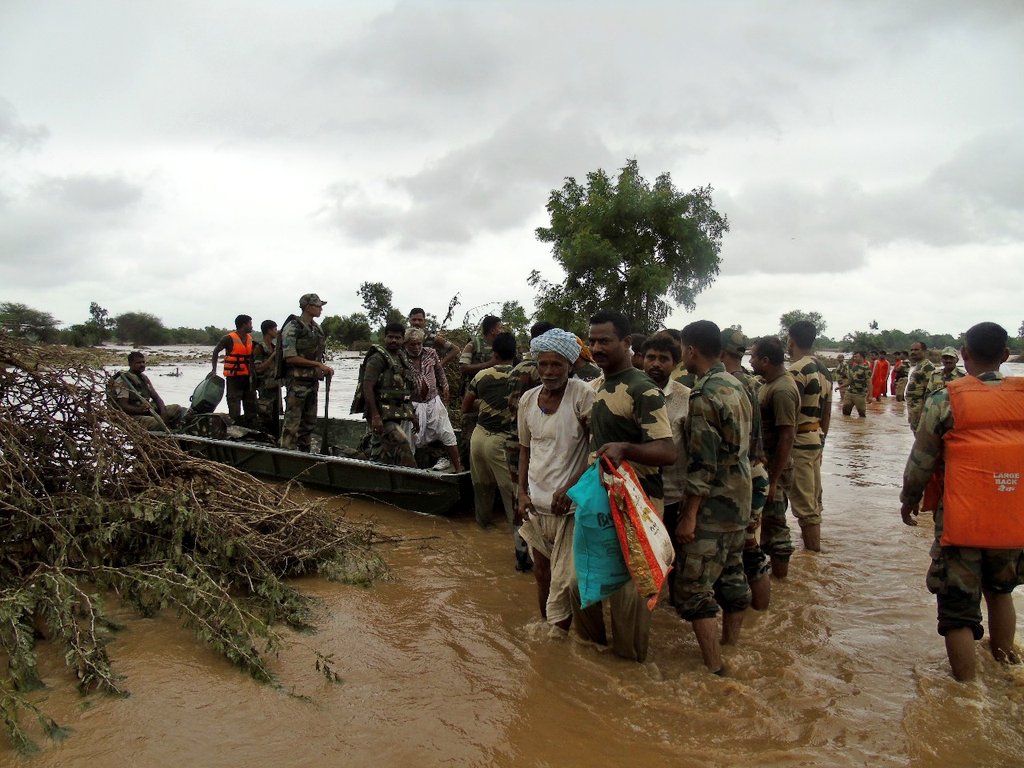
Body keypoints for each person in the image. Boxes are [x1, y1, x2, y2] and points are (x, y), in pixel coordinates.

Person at [899, 321, 1024, 682]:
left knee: (957, 609)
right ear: (1004, 355)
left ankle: (966, 694)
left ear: (964, 354)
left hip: (961, 520)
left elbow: (921, 461)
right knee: (1001, 592)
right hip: (1013, 518)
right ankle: (1006, 673)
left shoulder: (945, 398)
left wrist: (909, 500)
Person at [574, 309, 676, 663]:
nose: (597, 347)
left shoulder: (643, 389)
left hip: (640, 504)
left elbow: (667, 450)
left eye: (606, 340)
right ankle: (595, 663)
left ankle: (629, 672)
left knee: (630, 597)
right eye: (593, 340)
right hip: (601, 499)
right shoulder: (597, 386)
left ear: (627, 343)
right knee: (580, 584)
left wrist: (626, 449)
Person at [674, 320, 752, 675]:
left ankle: (716, 668)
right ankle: (731, 646)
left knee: (692, 587)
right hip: (742, 496)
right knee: (733, 573)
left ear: (690, 350)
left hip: (715, 503)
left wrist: (689, 514)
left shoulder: (704, 395)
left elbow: (703, 463)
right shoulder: (738, 384)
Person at [517, 328, 596, 629]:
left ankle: (562, 641)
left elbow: (596, 450)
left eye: (556, 365)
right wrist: (521, 493)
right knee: (542, 574)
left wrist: (570, 487)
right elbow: (525, 449)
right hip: (536, 506)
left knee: (567, 582)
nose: (549, 372)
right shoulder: (528, 399)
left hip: (570, 508)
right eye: (543, 365)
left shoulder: (582, 395)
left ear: (570, 365)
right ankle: (548, 638)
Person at [719, 327, 770, 610]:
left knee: (743, 551)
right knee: (751, 546)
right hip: (756, 470)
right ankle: (761, 616)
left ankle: (754, 613)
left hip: (740, 476)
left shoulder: (727, 385)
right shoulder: (752, 382)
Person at [462, 332, 524, 557]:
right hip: (502, 442)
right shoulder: (521, 376)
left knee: (481, 487)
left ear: (494, 353)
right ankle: (520, 548)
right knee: (512, 494)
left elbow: (466, 407)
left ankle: (483, 531)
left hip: (478, 437)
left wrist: (485, 405)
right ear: (515, 352)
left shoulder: (482, 375)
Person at [640, 333, 690, 605]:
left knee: (672, 560)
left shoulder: (686, 399)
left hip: (672, 496)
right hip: (637, 496)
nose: (655, 364)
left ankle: (672, 610)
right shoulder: (629, 392)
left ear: (675, 363)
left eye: (663, 359)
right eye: (650, 357)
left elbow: (694, 453)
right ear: (641, 360)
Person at [749, 336, 800, 579]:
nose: (750, 361)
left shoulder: (782, 389)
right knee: (765, 525)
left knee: (776, 526)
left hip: (775, 469)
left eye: (754, 356)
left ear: (766, 360)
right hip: (767, 466)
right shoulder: (769, 383)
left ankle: (781, 582)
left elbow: (787, 436)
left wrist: (774, 480)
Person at [787, 320, 832, 552]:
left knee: (805, 506)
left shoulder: (796, 370)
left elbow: (789, 416)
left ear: (791, 340)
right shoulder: (824, 370)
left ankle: (814, 554)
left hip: (799, 442)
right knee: (814, 500)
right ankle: (814, 556)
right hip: (816, 438)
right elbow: (827, 412)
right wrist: (822, 443)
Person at [357, 322, 416, 467]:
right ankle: (414, 477)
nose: (394, 340)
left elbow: (405, 390)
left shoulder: (401, 359)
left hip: (394, 413)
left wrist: (413, 416)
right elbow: (367, 386)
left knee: (383, 451)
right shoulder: (377, 358)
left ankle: (373, 469)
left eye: (397, 338)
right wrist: (375, 416)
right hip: (379, 413)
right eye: (390, 337)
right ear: (385, 338)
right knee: (401, 442)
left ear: (403, 340)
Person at [280, 293, 332, 452]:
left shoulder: (316, 328)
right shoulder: (293, 327)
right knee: (292, 423)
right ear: (308, 307)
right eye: (318, 306)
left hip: (312, 382)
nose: (321, 309)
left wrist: (321, 369)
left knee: (309, 423)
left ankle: (305, 455)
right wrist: (317, 364)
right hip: (296, 383)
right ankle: (286, 455)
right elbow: (290, 357)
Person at [404, 327, 461, 472]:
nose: (416, 347)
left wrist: (446, 385)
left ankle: (458, 468)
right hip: (412, 403)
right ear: (406, 344)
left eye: (419, 344)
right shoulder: (401, 357)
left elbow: (439, 371)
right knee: (409, 438)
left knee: (447, 433)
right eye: (412, 344)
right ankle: (410, 471)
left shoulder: (431, 353)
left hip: (433, 401)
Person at [109, 352, 188, 431]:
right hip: (132, 416)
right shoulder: (123, 381)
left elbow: (156, 398)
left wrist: (163, 412)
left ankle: (175, 429)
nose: (142, 365)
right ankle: (167, 433)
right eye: (138, 363)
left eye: (143, 362)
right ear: (130, 364)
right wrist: (139, 410)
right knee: (158, 423)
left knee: (177, 409)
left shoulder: (144, 378)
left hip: (148, 410)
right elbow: (122, 405)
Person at [210, 314, 257, 425]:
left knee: (251, 405)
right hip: (234, 378)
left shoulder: (250, 339)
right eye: (250, 323)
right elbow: (216, 351)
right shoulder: (228, 338)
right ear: (243, 325)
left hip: (248, 377)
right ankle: (234, 428)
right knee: (234, 406)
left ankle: (250, 428)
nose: (251, 326)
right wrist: (214, 370)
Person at [253, 319, 282, 437]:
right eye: (275, 329)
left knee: (277, 415)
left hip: (275, 386)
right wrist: (272, 356)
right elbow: (258, 368)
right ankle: (264, 438)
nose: (276, 332)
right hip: (265, 386)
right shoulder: (260, 348)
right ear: (268, 331)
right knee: (265, 415)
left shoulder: (274, 346)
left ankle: (274, 439)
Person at [905, 340, 936, 432]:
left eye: (916, 350)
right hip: (914, 407)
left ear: (924, 352)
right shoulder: (918, 366)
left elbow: (930, 389)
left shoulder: (927, 367)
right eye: (911, 350)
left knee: (921, 435)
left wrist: (926, 411)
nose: (913, 352)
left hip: (920, 409)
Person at [841, 351, 871, 417]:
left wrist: (870, 395)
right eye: (854, 357)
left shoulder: (866, 368)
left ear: (862, 357)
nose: (854, 358)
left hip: (860, 394)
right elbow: (849, 381)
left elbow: (869, 382)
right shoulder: (853, 368)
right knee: (845, 414)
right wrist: (840, 387)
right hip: (850, 393)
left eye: (856, 357)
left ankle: (861, 426)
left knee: (862, 415)